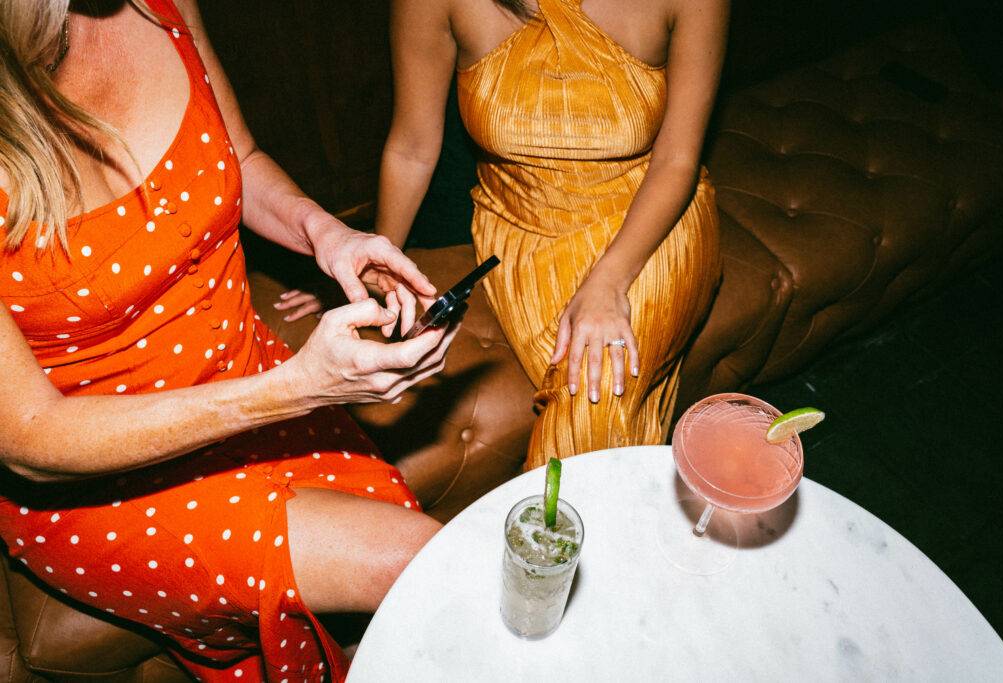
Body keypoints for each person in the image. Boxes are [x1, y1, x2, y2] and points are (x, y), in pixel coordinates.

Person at [0, 1, 457, 679]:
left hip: (249, 372)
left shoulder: (163, 6)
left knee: (401, 612)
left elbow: (238, 157)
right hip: (105, 476)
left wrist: (328, 235)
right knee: (424, 564)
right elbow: (31, 439)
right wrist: (297, 389)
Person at [370, 0, 728, 469]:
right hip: (522, 232)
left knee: (596, 392)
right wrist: (377, 256)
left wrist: (609, 281)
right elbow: (412, 148)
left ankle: (552, 518)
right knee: (588, 390)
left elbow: (677, 161)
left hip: (649, 226)